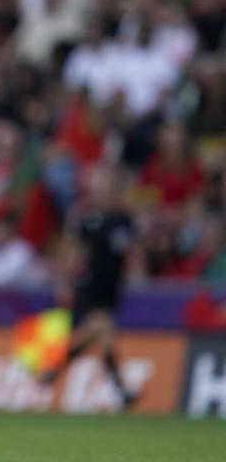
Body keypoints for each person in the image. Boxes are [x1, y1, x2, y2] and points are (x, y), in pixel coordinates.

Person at [40, 165, 139, 409]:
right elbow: (74, 252)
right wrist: (66, 279)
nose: (102, 194)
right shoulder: (89, 221)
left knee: (95, 335)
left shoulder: (124, 221)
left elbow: (131, 252)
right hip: (91, 286)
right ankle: (122, 391)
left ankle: (55, 367)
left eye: (107, 189)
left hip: (112, 288)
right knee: (104, 332)